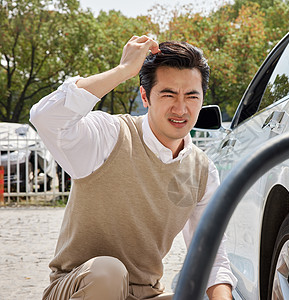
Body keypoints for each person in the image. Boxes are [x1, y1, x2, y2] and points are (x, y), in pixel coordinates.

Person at [30, 35, 237, 300]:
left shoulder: (202, 170)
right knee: (108, 272)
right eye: (168, 93)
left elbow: (212, 258)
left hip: (146, 294)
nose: (181, 108)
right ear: (145, 96)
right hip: (82, 287)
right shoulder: (109, 136)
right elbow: (45, 117)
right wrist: (123, 71)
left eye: (191, 96)